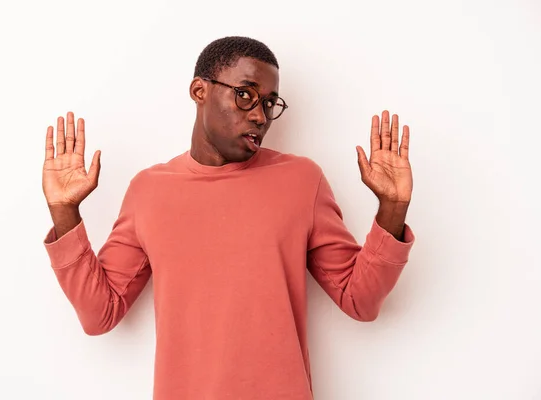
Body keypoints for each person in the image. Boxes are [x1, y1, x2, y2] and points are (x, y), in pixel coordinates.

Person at [42, 36, 415, 400]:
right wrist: (64, 212)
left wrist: (393, 207)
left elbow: (360, 301)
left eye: (270, 103)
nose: (259, 115)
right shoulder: (149, 190)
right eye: (245, 94)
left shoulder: (302, 181)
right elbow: (99, 314)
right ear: (200, 91)